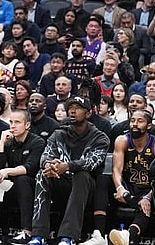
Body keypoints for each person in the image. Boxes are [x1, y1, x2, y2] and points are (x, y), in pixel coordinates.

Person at [28, 96, 109, 245]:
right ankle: (38, 235)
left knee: (82, 175)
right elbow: (45, 157)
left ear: (88, 113)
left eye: (77, 108)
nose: (72, 111)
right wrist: (49, 165)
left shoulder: (100, 137)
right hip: (62, 184)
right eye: (70, 108)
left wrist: (67, 166)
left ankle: (68, 237)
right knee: (42, 174)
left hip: (89, 191)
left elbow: (92, 163)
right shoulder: (59, 134)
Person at [0, 108, 45, 245]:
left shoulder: (37, 142)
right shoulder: (9, 142)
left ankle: (27, 231)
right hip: (13, 185)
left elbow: (30, 168)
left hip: (34, 186)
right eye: (11, 122)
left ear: (27, 125)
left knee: (22, 180)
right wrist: (2, 143)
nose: (13, 126)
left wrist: (7, 171)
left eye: (17, 122)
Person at [108, 109, 155, 245]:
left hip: (150, 191)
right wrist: (120, 188)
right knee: (104, 181)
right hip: (129, 189)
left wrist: (148, 197)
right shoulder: (122, 141)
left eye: (140, 121)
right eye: (132, 120)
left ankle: (129, 235)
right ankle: (125, 235)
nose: (135, 124)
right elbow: (116, 169)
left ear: (149, 126)